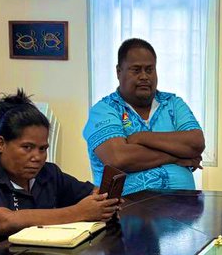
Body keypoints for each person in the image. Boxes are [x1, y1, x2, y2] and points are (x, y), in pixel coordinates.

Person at [0, 91, 119, 255]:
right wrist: (79, 212)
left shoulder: (49, 173)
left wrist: (105, 203)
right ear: (1, 144)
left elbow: (90, 193)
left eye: (42, 148)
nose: (37, 157)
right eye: (27, 147)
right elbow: (4, 221)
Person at [83, 38, 205, 194]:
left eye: (149, 69)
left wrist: (141, 137)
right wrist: (176, 157)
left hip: (184, 208)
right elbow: (119, 158)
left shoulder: (173, 103)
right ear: (119, 71)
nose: (144, 76)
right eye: (136, 69)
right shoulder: (103, 110)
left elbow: (195, 143)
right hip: (127, 211)